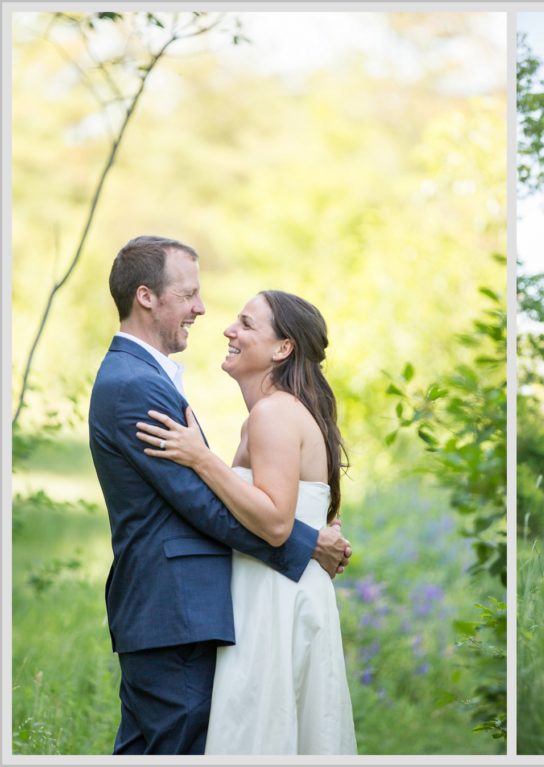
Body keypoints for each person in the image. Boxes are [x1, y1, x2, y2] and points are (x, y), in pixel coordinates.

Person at [88, 236, 352, 755]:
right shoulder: (135, 385)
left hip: (194, 610)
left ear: (283, 348)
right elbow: (204, 504)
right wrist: (306, 544)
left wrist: (297, 535)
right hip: (175, 612)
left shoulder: (262, 410)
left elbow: (219, 496)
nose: (203, 310)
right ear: (147, 296)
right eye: (188, 294)